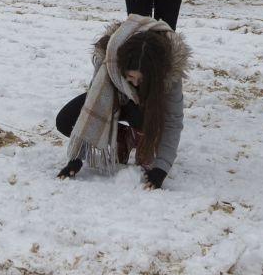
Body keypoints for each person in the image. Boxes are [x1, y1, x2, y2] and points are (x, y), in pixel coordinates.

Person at [55, 15, 190, 189]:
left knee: (149, 117)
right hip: (115, 101)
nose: (134, 83)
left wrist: (161, 168)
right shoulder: (108, 59)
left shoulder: (169, 71)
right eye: (130, 77)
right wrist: (76, 159)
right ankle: (121, 135)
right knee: (65, 121)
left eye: (141, 80)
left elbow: (173, 121)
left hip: (147, 108)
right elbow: (92, 104)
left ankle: (143, 136)